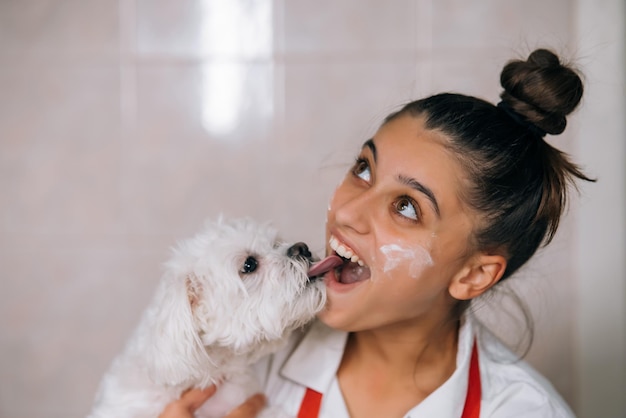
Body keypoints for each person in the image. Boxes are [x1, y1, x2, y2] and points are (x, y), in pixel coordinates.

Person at [161, 48, 591, 418]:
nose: (347, 211)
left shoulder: (524, 411)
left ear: (473, 276)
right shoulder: (246, 362)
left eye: (407, 206)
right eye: (364, 169)